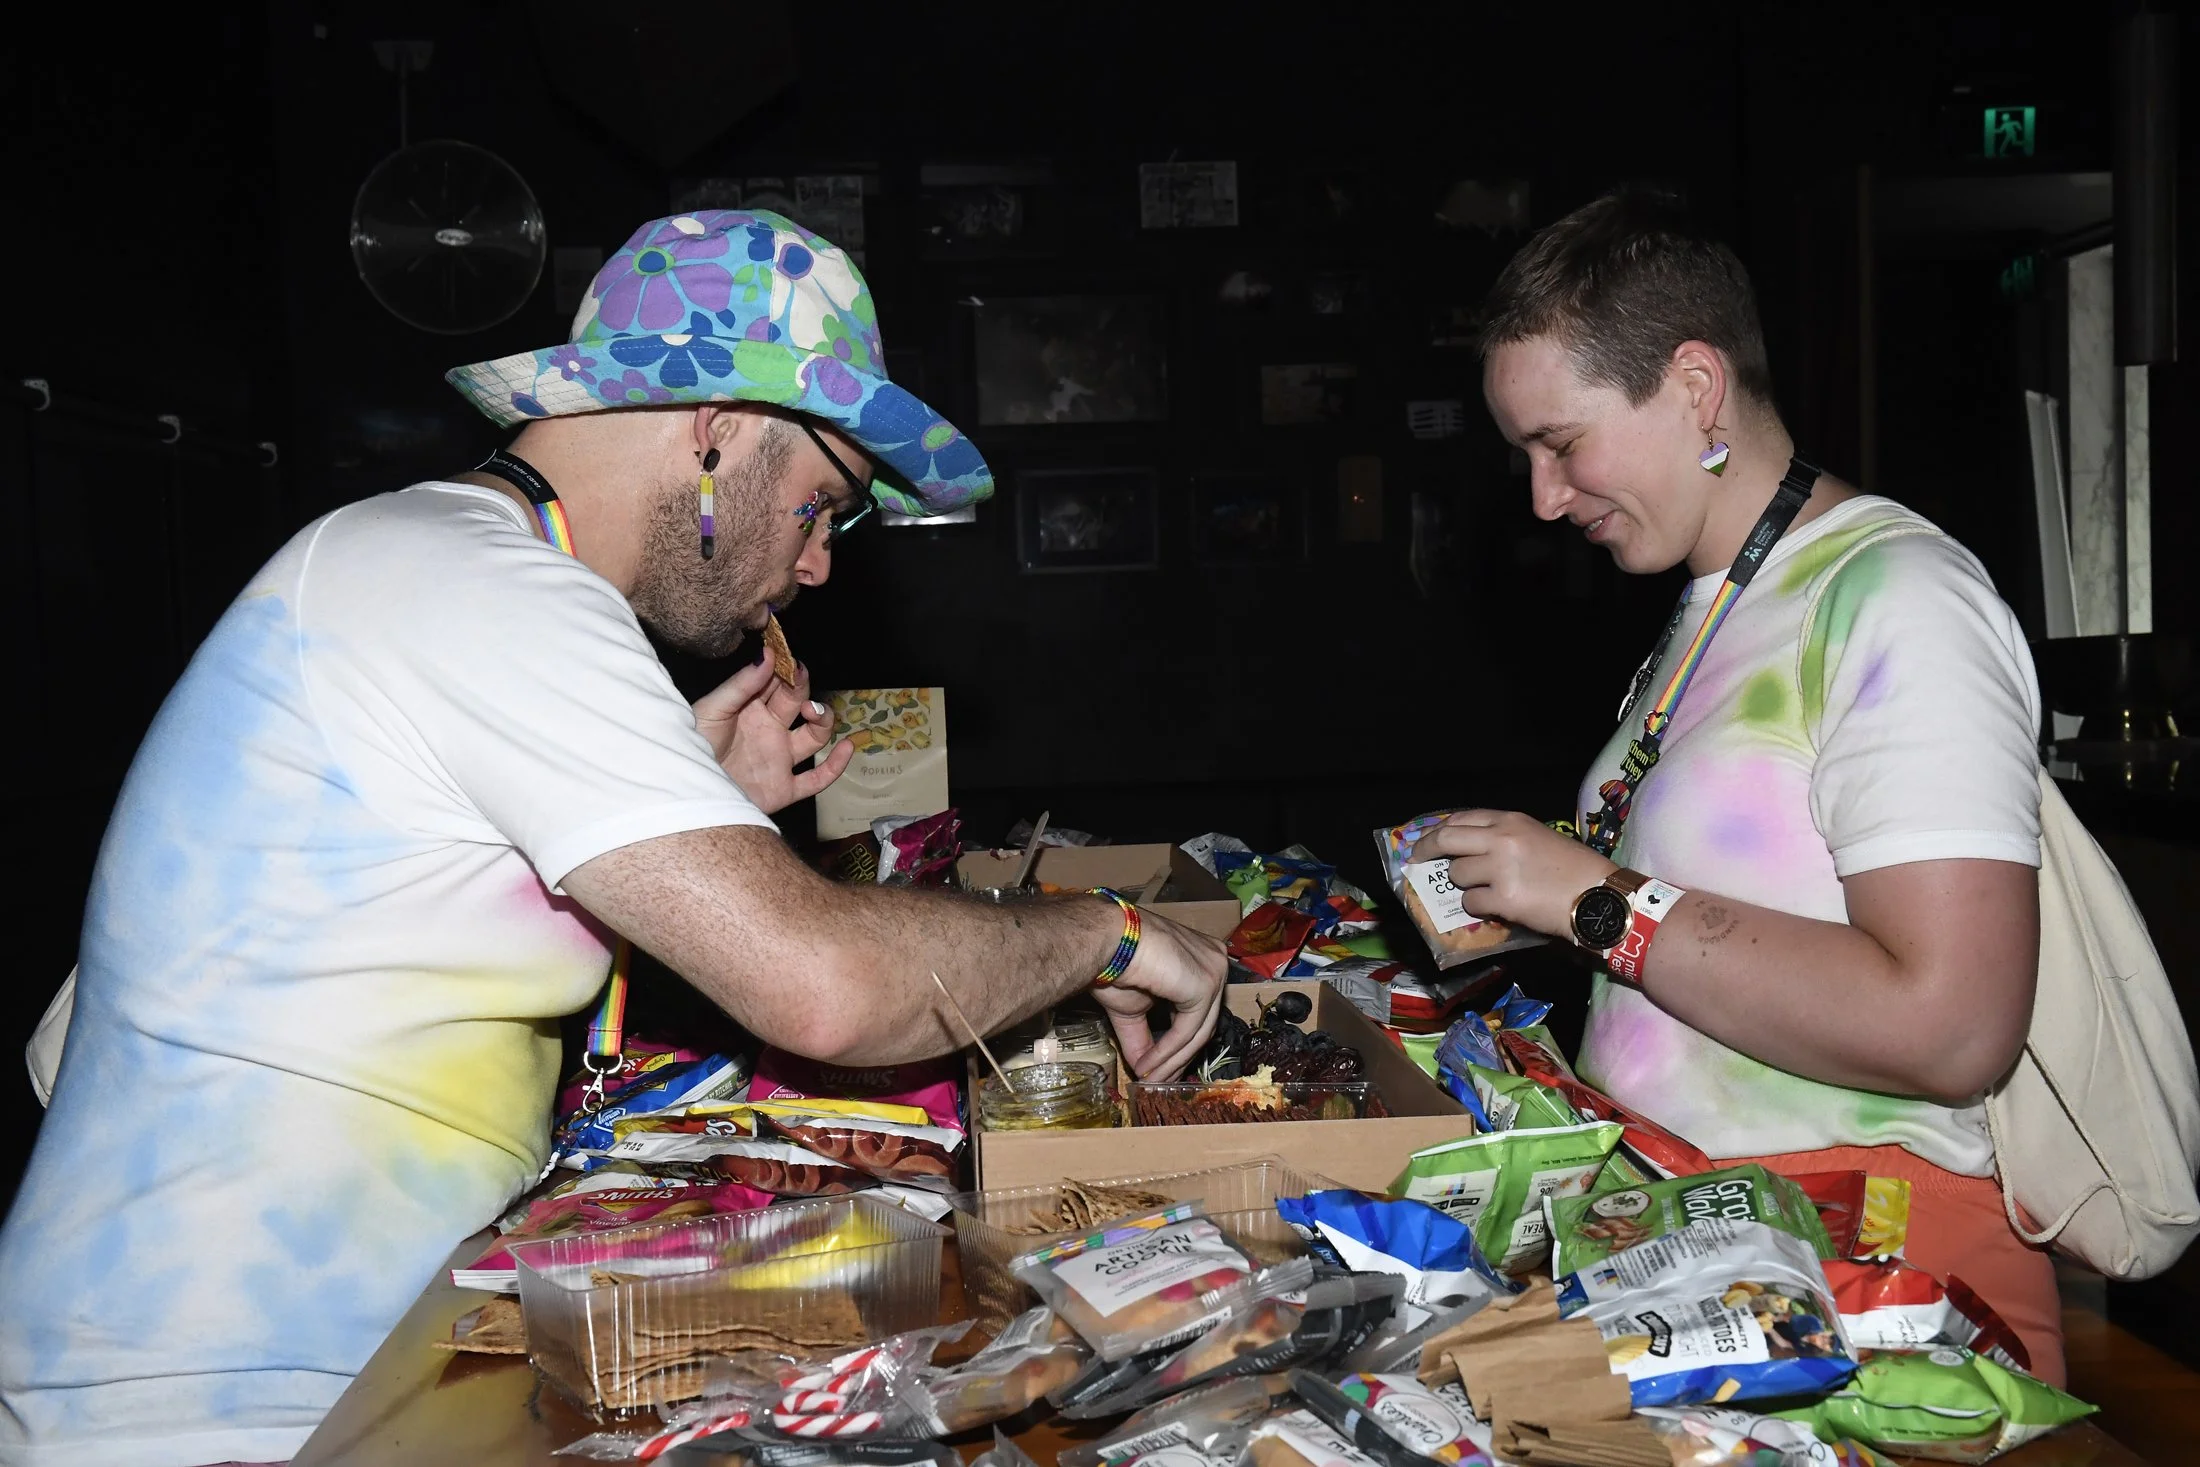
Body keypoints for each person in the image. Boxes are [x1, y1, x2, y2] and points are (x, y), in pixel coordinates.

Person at [0, 210, 1227, 1467]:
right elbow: (828, 992)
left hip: (345, 1364)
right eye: (822, 506)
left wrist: (706, 804)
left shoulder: (441, 563)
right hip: (214, 1413)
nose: (815, 566)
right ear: (719, 426)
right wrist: (1108, 934)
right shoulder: (478, 588)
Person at [1411, 190, 2061, 1381]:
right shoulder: (1709, 604)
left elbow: (1956, 1028)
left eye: (1562, 443)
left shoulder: (1897, 596)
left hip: (1879, 1282)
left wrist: (1596, 901)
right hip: (1721, 1261)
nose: (1545, 498)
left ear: (1695, 387)